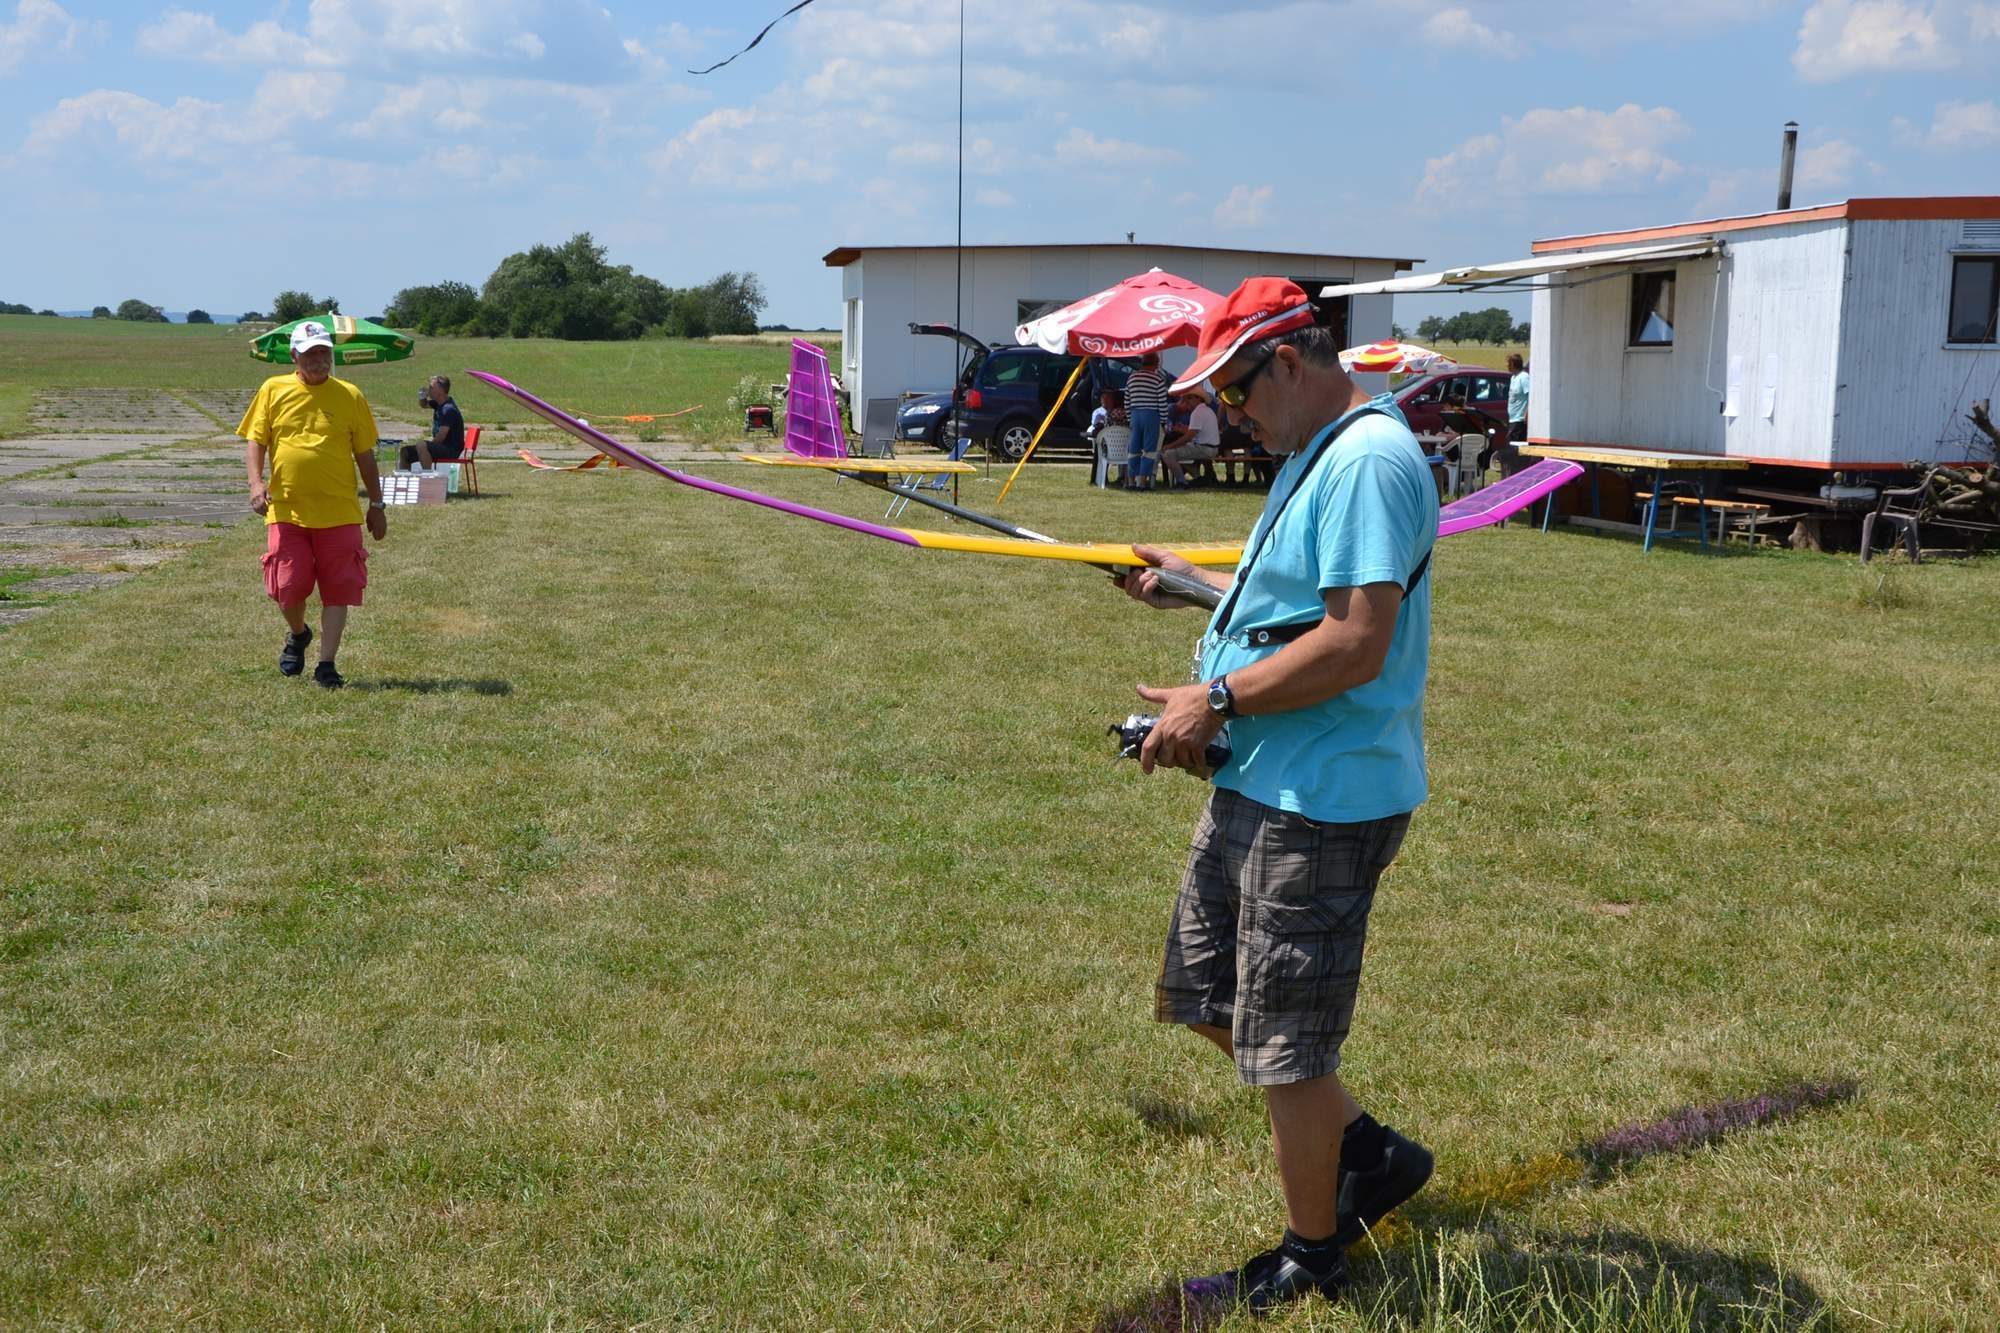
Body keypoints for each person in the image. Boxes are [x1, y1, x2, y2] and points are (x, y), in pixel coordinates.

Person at [1118, 278, 1438, 1312]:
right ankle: (1368, 1154)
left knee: (1287, 1048)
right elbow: (1302, 605)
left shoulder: (1366, 461)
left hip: (1322, 796)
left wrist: (1213, 698)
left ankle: (1312, 1252)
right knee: (1206, 994)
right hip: (1264, 774)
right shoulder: (1315, 448)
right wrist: (1195, 588)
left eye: (1235, 392)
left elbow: (1354, 641)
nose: (1230, 415)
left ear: (1289, 363)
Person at [239, 320, 388, 689]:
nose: (319, 359)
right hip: (287, 510)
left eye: (324, 352)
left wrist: (377, 504)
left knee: (339, 588)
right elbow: (256, 441)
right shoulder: (273, 389)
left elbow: (365, 454)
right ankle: (298, 633)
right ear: (295, 356)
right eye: (310, 353)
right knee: (287, 586)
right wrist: (256, 483)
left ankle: (327, 664)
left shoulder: (350, 395)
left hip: (340, 512)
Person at [1122, 349, 1171, 491]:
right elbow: (1162, 403)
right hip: (1151, 416)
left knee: (1134, 449)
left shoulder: (1132, 378)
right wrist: (1163, 421)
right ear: (1156, 364)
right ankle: (1142, 482)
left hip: (1135, 415)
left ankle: (1131, 481)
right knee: (1149, 450)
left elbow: (1127, 400)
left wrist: (1130, 418)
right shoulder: (1157, 379)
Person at [399, 375, 466, 471]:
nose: (428, 390)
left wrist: (426, 448)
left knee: (421, 445)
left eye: (431, 387)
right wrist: (422, 396)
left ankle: (428, 476)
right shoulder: (438, 403)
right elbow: (424, 404)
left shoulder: (448, 409)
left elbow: (441, 436)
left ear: (440, 390)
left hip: (451, 450)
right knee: (405, 452)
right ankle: (405, 479)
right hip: (441, 447)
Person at [1159, 387, 1221, 487]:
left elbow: (1189, 436)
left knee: (1168, 454)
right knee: (1180, 454)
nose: (1187, 401)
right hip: (1210, 448)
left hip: (1204, 448)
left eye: (1190, 398)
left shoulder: (1197, 412)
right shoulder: (1206, 410)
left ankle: (1182, 482)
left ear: (1198, 398)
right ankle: (1198, 478)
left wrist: (1170, 446)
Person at [1087, 387, 1131, 488]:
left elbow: (1104, 429)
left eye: (1108, 399)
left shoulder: (1109, 415)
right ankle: (1125, 479)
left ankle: (1100, 479)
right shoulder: (1129, 414)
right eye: (1104, 398)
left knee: (1100, 447)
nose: (1105, 401)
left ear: (1115, 400)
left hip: (1110, 451)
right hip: (1126, 451)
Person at [1501, 353, 1531, 477]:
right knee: (1510, 447)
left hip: (1520, 419)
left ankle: (1517, 474)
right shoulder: (1513, 377)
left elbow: (1530, 395)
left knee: (1514, 449)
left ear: (1513, 363)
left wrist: (1527, 413)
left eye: (1508, 363)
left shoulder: (1524, 377)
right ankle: (1511, 473)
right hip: (1512, 418)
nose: (1507, 365)